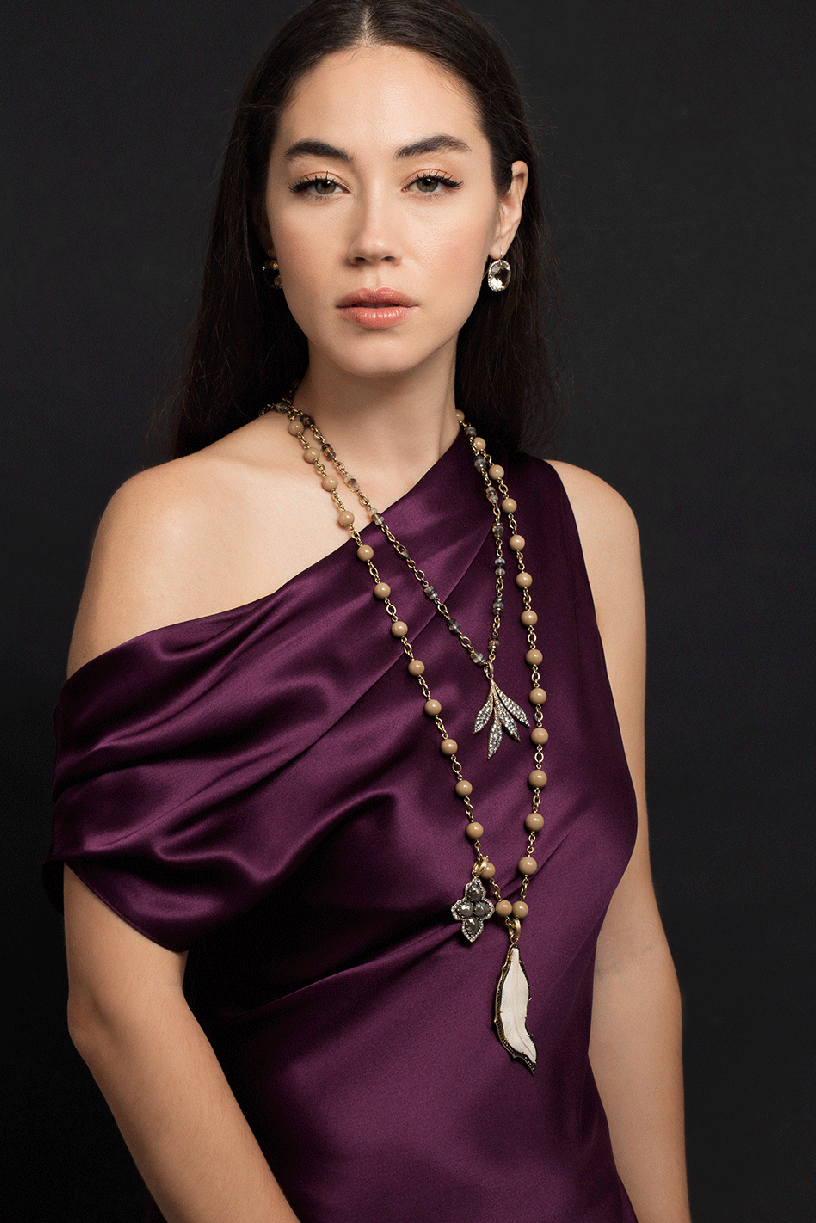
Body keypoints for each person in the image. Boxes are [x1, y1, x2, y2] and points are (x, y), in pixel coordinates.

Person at [44, 2, 691, 1221]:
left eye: (429, 180)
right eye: (321, 184)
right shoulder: (174, 525)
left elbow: (623, 948)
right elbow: (116, 1003)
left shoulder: (585, 526)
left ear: (506, 209)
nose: (373, 239)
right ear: (263, 222)